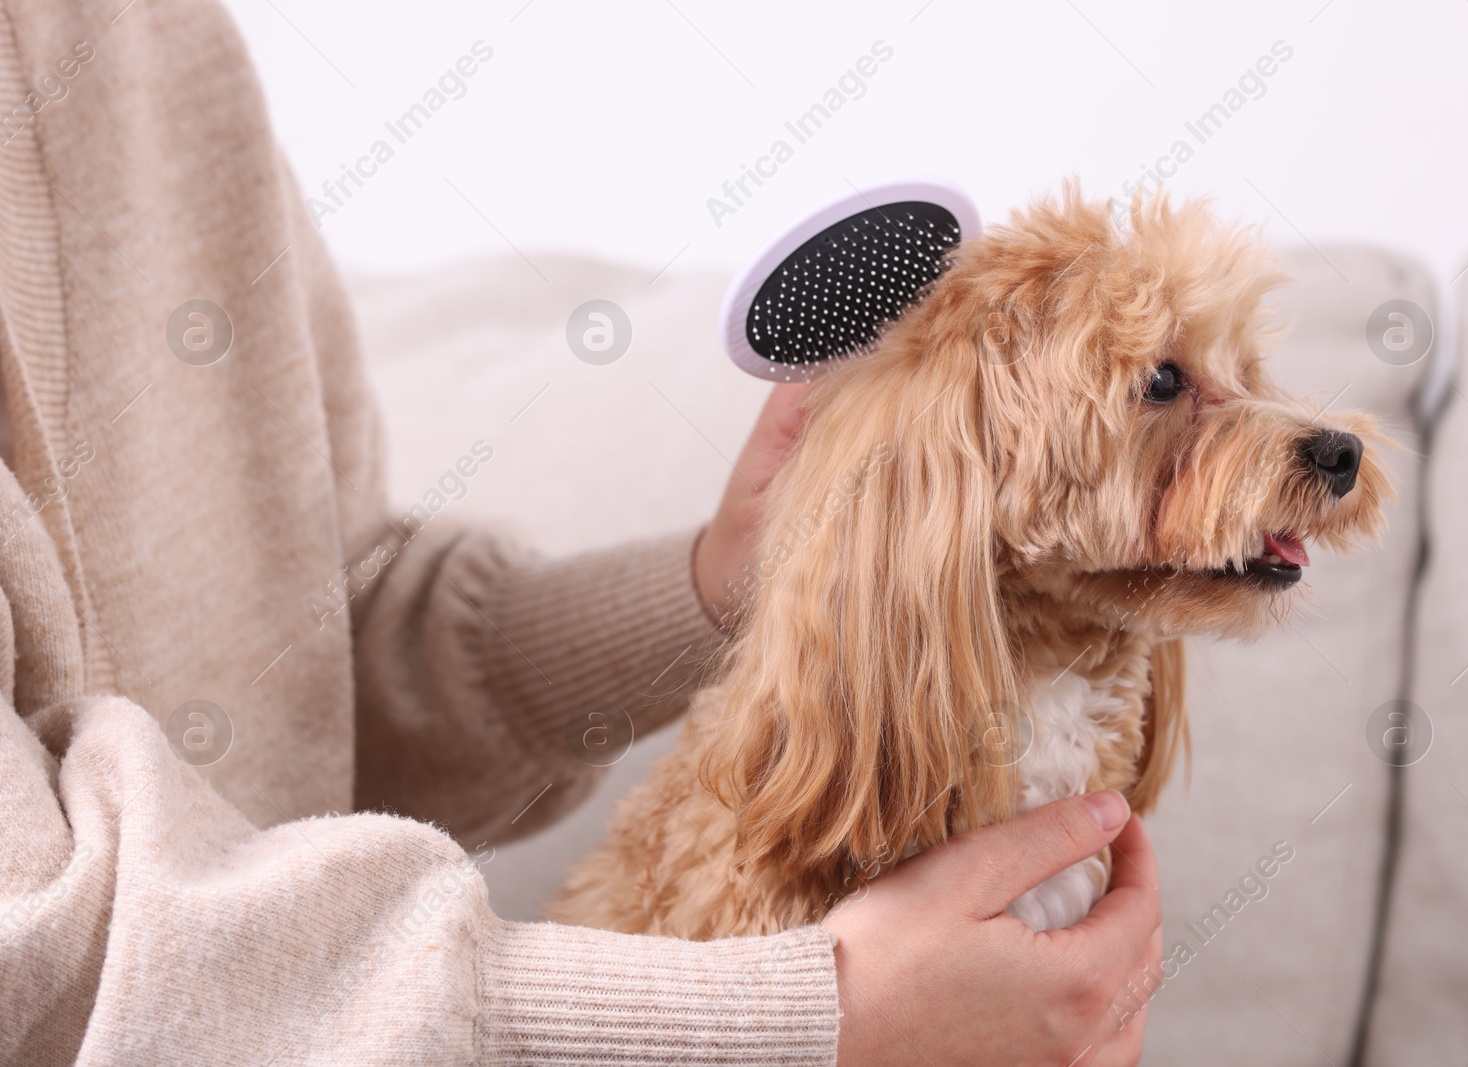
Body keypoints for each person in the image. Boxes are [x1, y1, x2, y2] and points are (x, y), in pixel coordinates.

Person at [0, 1, 1161, 1063]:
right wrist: (811, 1017)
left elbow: (311, 642)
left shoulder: (162, 44)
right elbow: (42, 947)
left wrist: (716, 587)